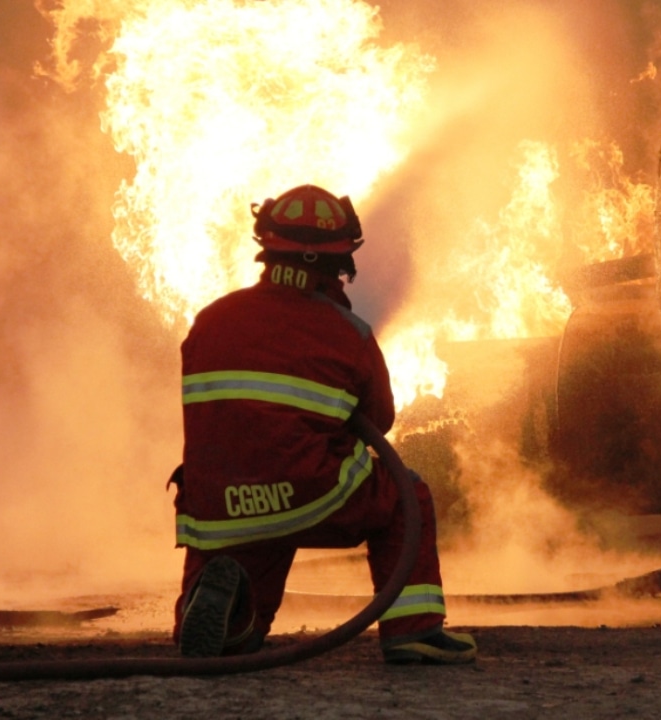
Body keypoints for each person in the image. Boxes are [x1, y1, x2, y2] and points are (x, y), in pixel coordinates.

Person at [168, 184, 476, 664]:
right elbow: (380, 420)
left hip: (219, 503)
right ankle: (413, 630)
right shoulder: (348, 332)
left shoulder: (209, 320)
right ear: (339, 263)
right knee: (405, 494)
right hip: (307, 493)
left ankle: (220, 618)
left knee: (242, 579)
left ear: (267, 251)